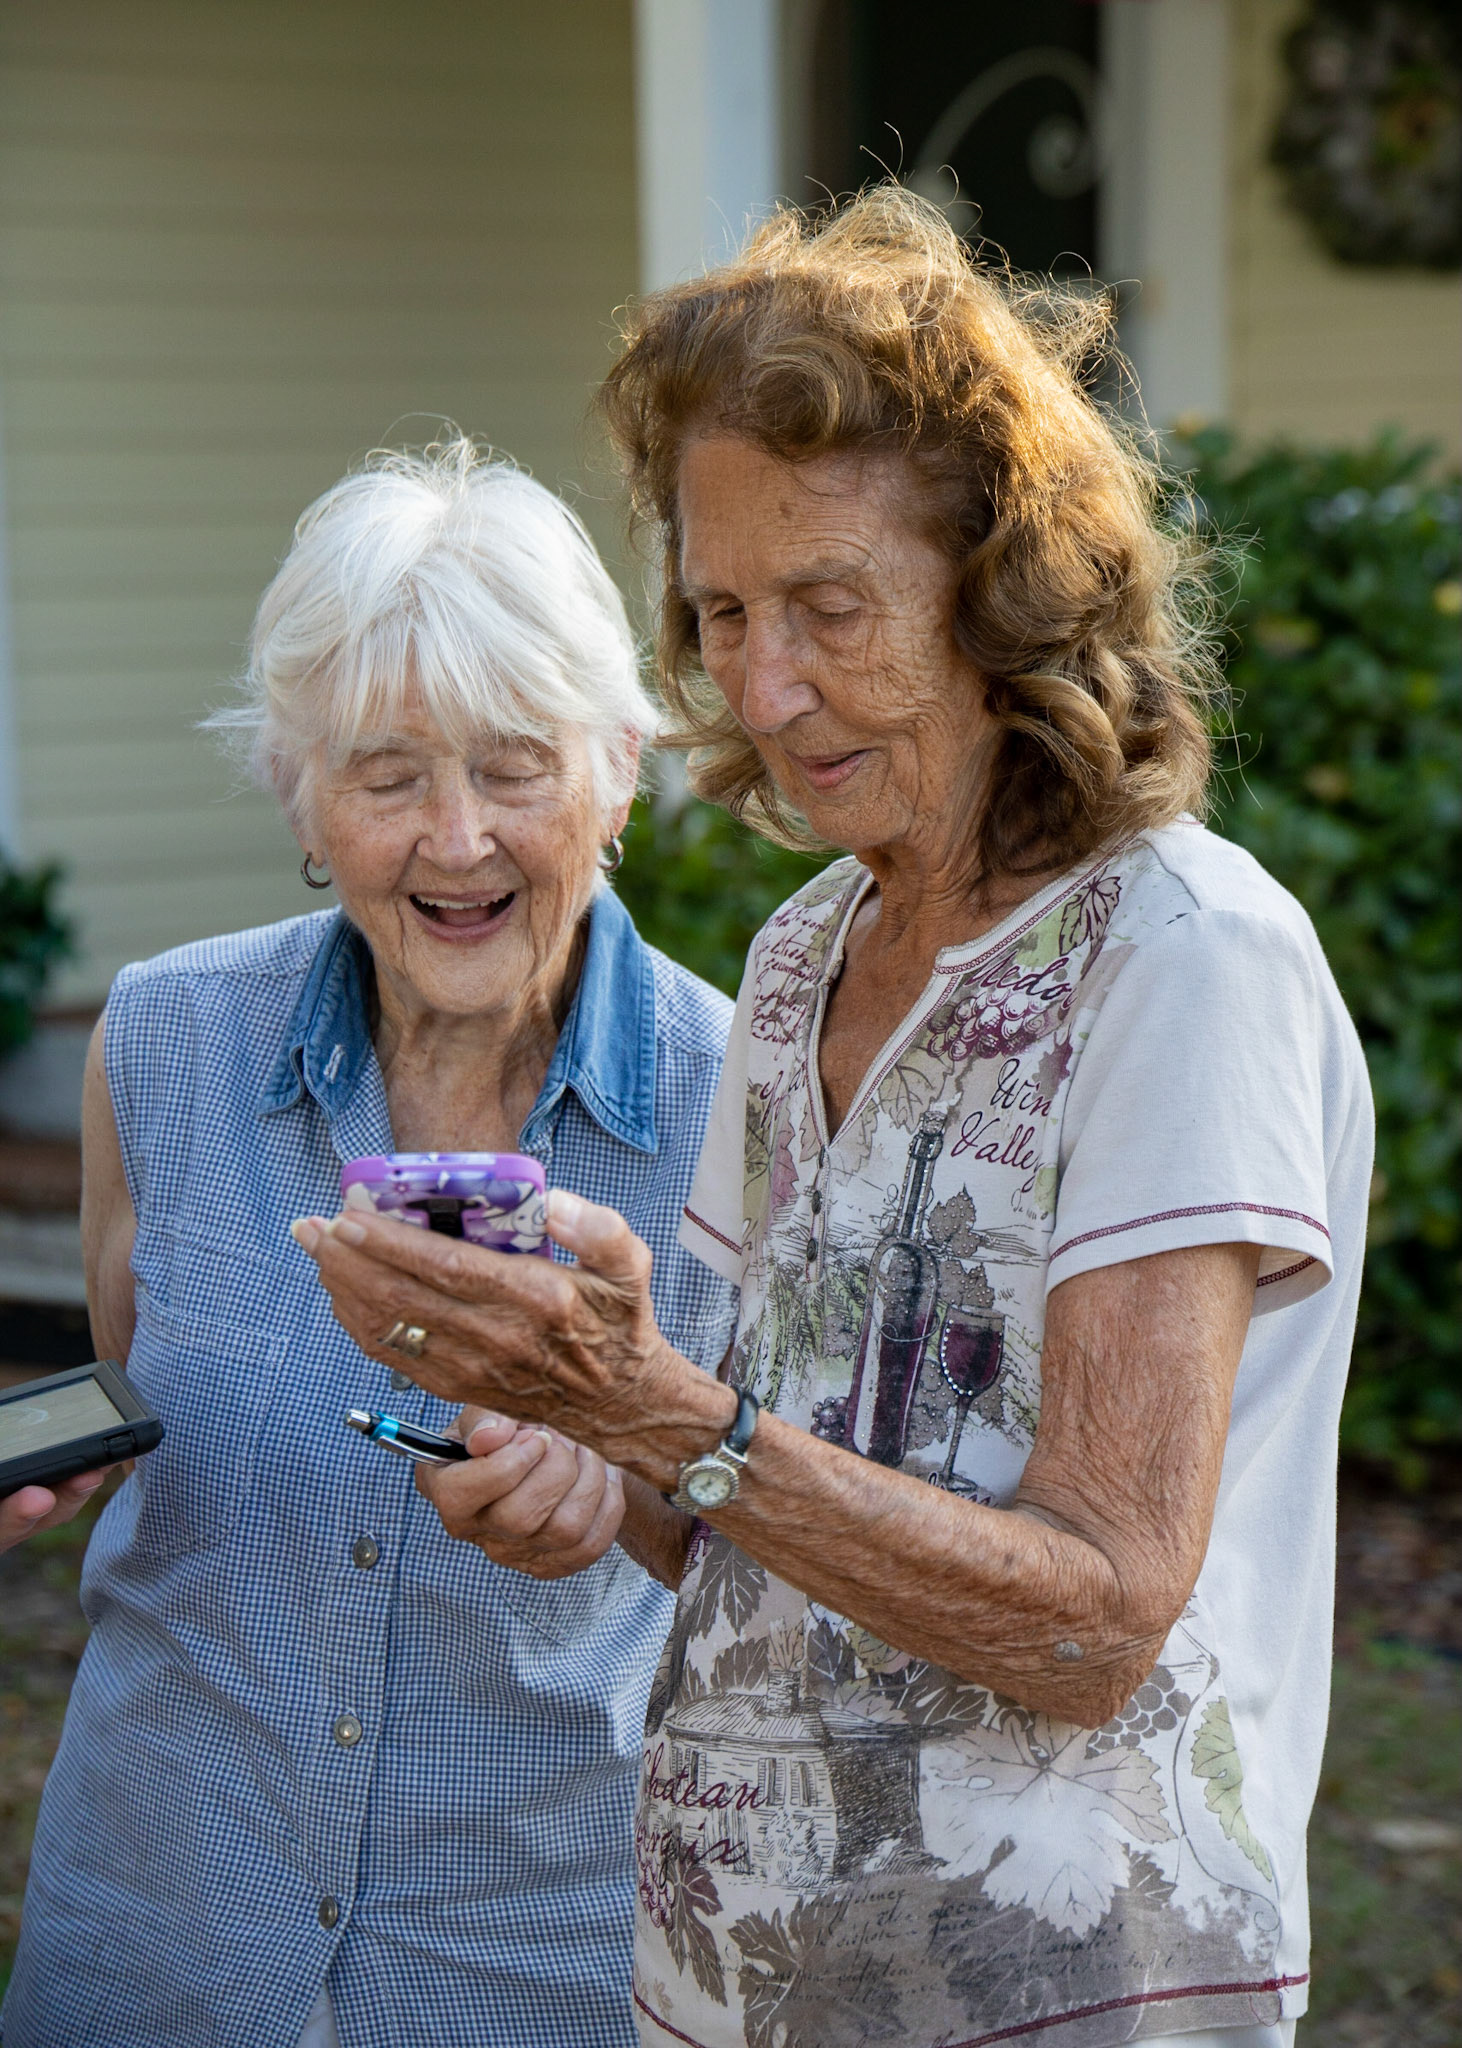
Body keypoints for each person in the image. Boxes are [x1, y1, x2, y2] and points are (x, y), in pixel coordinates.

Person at [298, 193, 1372, 2048]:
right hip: (746, 1978)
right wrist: (566, 1428)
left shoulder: (1184, 959)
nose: (762, 687)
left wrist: (657, 1410)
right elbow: (750, 1509)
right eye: (720, 613)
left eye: (825, 608)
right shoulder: (806, 954)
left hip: (1057, 1993)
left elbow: (1094, 1614)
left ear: (999, 593)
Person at [2, 441, 736, 2048]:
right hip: (159, 1943)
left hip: (535, 1964)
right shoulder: (167, 1040)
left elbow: (788, 1555)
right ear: (301, 796)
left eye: (514, 766)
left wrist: (618, 1496)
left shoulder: (739, 1106)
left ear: (618, 775)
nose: (455, 839)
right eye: (387, 774)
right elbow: (134, 1408)